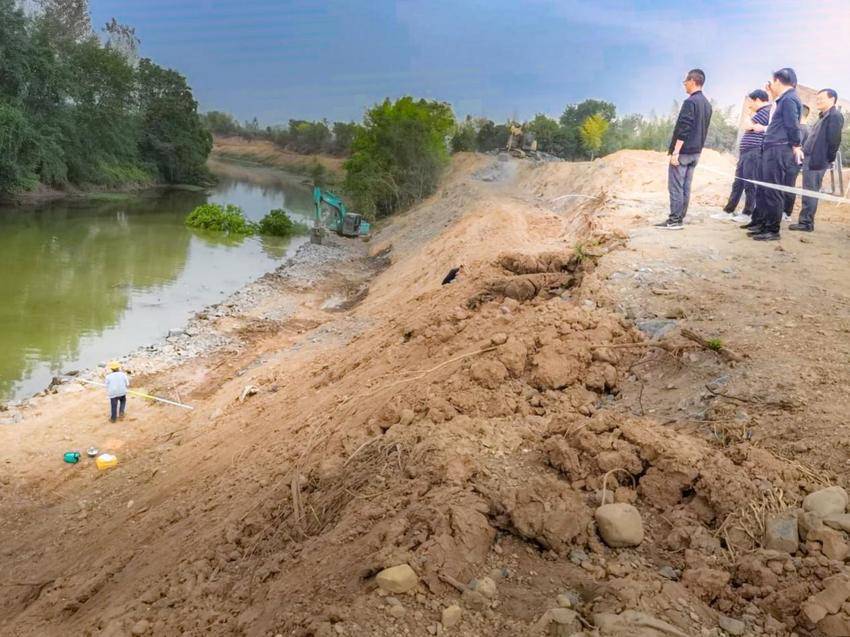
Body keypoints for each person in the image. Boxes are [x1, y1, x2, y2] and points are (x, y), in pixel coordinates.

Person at [743, 68, 803, 241]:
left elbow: (792, 125)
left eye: (772, 82)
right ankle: (762, 224)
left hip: (778, 149)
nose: (770, 85)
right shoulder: (783, 99)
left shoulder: (790, 99)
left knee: (773, 190)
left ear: (777, 81)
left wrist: (796, 145)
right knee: (763, 189)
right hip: (771, 148)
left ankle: (772, 229)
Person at [657, 68, 713, 230]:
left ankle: (674, 220)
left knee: (676, 186)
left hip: (684, 152)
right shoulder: (707, 105)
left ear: (692, 81)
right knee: (686, 187)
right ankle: (679, 217)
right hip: (696, 153)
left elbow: (684, 128)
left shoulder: (690, 102)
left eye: (685, 82)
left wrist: (675, 152)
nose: (684, 85)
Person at [790, 89, 845, 232]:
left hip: (818, 160)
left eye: (821, 98)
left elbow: (834, 140)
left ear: (832, 99)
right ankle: (805, 221)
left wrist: (829, 159)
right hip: (810, 159)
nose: (818, 101)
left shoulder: (834, 115)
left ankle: (806, 223)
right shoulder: (823, 116)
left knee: (811, 191)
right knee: (808, 189)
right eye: (817, 98)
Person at [718, 89, 770, 221]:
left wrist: (748, 115)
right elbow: (750, 126)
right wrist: (751, 123)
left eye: (751, 102)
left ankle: (747, 213)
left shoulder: (765, 111)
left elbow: (746, 125)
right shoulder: (759, 112)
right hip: (747, 152)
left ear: (758, 100)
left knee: (749, 184)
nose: (749, 105)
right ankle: (729, 210)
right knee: (738, 183)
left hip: (754, 152)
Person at [782, 105, 811, 220]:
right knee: (788, 185)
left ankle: (786, 213)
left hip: (792, 162)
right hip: (795, 163)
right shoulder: (807, 129)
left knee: (788, 186)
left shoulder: (800, 129)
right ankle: (785, 212)